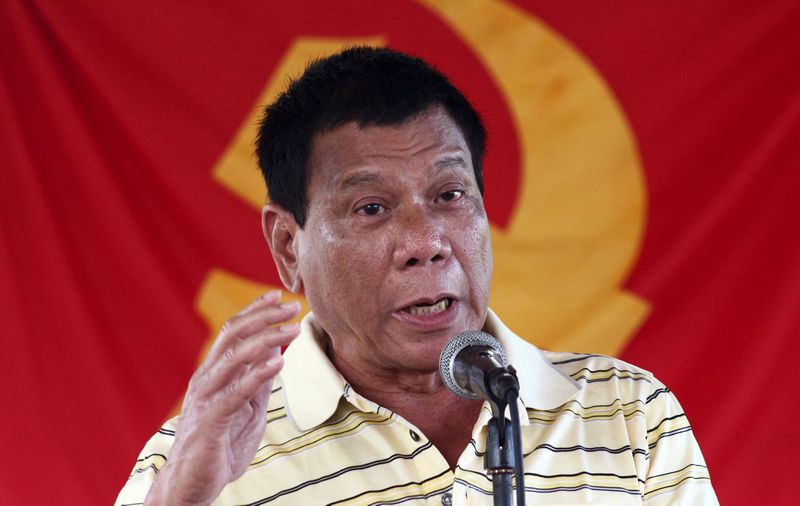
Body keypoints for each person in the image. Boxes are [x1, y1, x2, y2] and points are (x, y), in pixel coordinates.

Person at [117, 47, 718, 505]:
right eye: (371, 208)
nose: (426, 244)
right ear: (287, 246)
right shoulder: (197, 462)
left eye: (450, 194)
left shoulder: (630, 414)